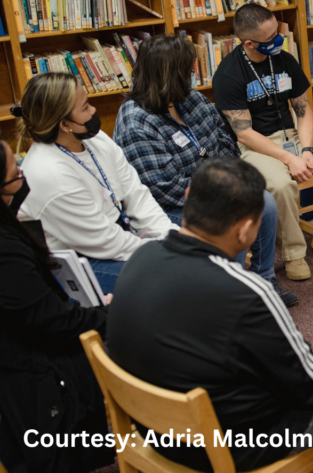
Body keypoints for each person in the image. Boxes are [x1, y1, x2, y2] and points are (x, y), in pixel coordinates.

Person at [106, 158, 313, 471]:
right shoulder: (249, 291)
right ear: (244, 231)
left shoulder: (140, 257)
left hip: (154, 433)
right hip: (229, 447)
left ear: (188, 197)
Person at [113, 35, 295, 307]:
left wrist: (223, 183)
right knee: (226, 219)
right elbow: (162, 187)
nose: (192, 75)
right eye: (187, 70)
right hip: (168, 206)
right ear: (170, 75)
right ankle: (226, 294)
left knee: (263, 201)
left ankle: (263, 278)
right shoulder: (136, 121)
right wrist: (217, 190)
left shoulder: (191, 99)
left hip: (211, 188)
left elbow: (226, 144)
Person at [214, 4, 313, 281]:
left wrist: (306, 149)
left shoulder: (283, 59)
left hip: (292, 136)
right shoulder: (228, 75)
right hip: (254, 147)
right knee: (282, 185)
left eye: (278, 32)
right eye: (271, 38)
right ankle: (295, 253)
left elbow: (303, 109)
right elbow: (244, 134)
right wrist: (290, 159)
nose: (279, 40)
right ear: (249, 43)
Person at [0, 138, 115, 473]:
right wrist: (107, 313)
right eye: (14, 172)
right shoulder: (6, 253)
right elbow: (50, 322)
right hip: (37, 385)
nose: (22, 176)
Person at [15, 72, 176, 293]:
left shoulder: (94, 138)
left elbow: (136, 193)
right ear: (65, 125)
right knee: (173, 279)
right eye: (85, 107)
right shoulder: (49, 174)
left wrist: (170, 235)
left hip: (122, 231)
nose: (93, 111)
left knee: (210, 234)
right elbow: (105, 241)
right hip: (86, 259)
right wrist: (164, 252)